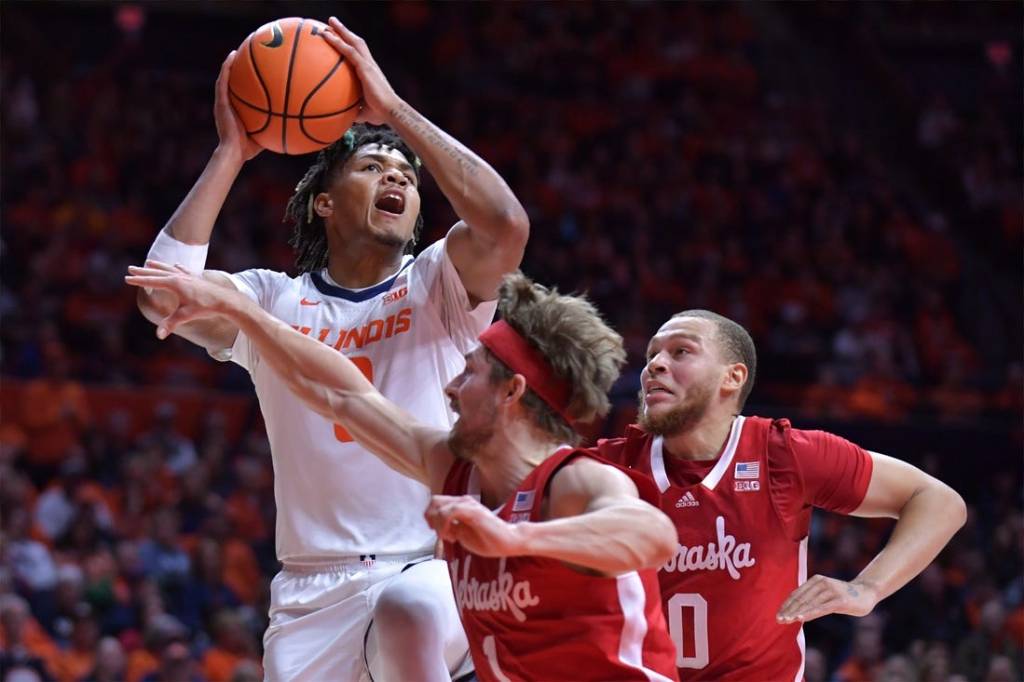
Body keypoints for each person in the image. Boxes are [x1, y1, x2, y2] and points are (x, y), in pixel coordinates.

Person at [133, 17, 529, 681]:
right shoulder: (270, 301)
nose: (396, 179)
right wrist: (233, 149)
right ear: (322, 203)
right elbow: (159, 296)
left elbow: (504, 226)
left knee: (409, 612)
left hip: (429, 562)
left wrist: (395, 112)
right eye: (373, 167)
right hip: (307, 591)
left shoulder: (437, 283)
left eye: (405, 173)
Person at [126, 265, 680, 682]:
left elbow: (653, 536)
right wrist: (243, 312)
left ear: (512, 392)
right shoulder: (453, 468)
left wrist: (515, 537)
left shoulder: (575, 479)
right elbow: (339, 393)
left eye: (469, 374)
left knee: (408, 603)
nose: (450, 389)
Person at [592, 310, 967, 680]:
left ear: (732, 377)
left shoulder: (781, 453)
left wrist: (867, 588)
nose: (654, 364)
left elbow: (938, 501)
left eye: (680, 352)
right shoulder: (608, 467)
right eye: (651, 354)